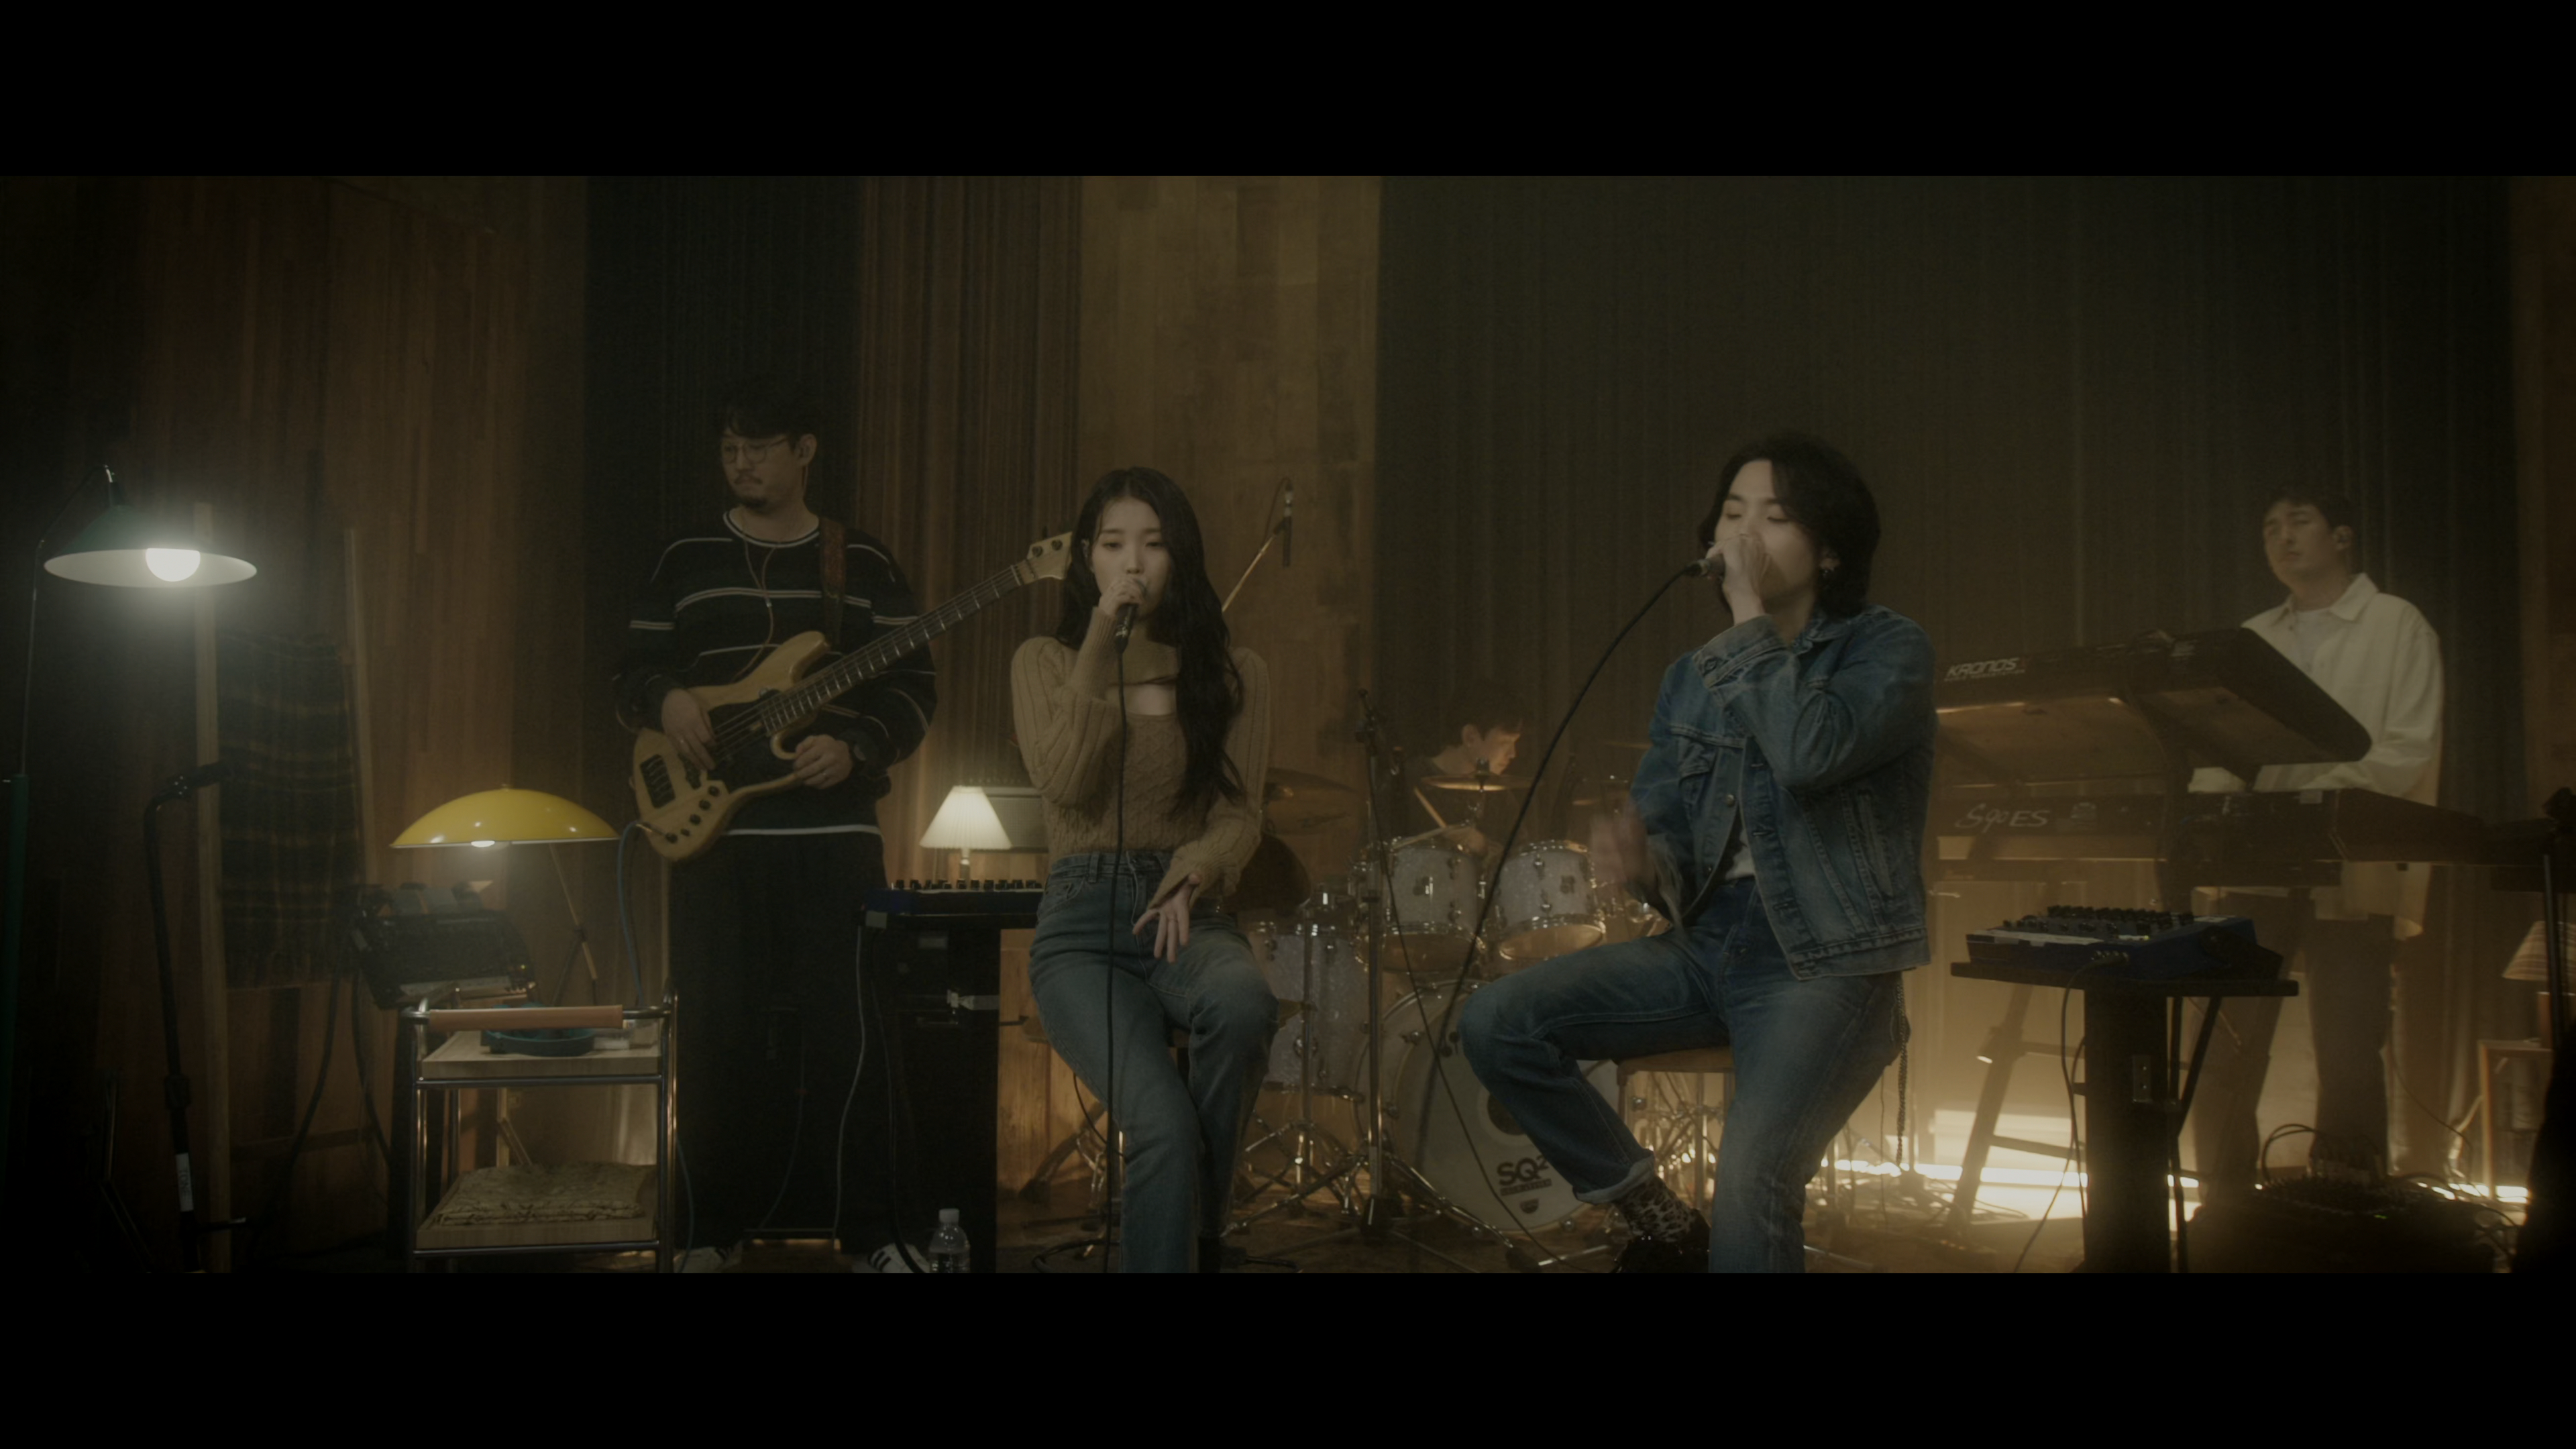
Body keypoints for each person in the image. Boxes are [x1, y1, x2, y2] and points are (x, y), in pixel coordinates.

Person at [1458, 432, 1934, 1273]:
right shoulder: (1691, 678)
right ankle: (1658, 1218)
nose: (1743, 533)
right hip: (1708, 947)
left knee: (1752, 1180)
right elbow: (1672, 836)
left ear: (1828, 550)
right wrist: (1646, 861)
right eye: (1732, 513)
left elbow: (1810, 751)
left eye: (1774, 517)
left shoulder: (1886, 650)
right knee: (1497, 1022)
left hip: (1824, 961)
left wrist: (1748, 613)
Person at [612, 378, 937, 1272]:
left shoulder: (861, 563)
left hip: (832, 840)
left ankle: (877, 1234)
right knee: (714, 1037)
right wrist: (668, 698)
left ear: (805, 451)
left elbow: (915, 689)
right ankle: (708, 1231)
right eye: (728, 449)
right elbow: (630, 672)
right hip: (714, 839)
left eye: (757, 448)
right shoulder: (682, 557)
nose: (740, 464)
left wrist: (858, 746)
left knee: (853, 1037)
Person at [1010, 466, 1278, 1273]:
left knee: (1244, 1002)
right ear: (1085, 559)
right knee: (1160, 1125)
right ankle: (1198, 1244)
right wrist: (1101, 637)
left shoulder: (1232, 672)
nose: (1133, 563)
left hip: (1184, 907)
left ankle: (1201, 1229)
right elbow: (1065, 782)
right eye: (1113, 544)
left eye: (1154, 545)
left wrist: (1196, 872)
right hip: (1081, 927)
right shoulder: (1044, 662)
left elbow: (1240, 815)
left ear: (1180, 558)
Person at [2188, 490, 2443, 1192]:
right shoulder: (2252, 636)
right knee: (2226, 1044)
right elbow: (2217, 744)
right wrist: (2209, 807)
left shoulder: (2397, 624)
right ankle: (2224, 1205)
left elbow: (2407, 750)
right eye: (2270, 527)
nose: (2282, 536)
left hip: (2350, 864)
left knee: (2349, 1052)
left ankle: (2348, 1212)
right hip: (2254, 864)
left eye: (2299, 521)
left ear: (2342, 537)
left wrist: (2311, 797)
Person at [1398, 679, 1529, 853]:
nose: (1513, 754)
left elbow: (1522, 863)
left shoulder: (1501, 797)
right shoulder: (1404, 784)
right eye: (1504, 742)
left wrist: (1484, 846)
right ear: (1470, 737)